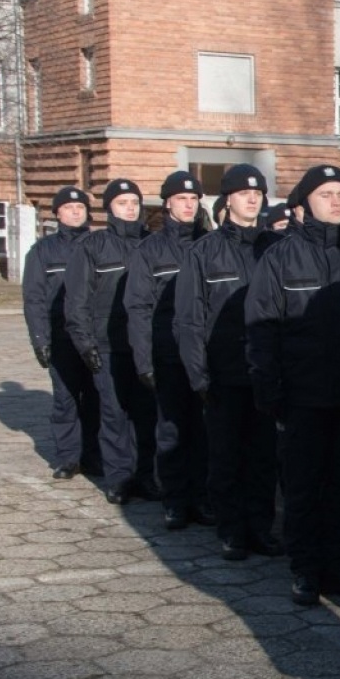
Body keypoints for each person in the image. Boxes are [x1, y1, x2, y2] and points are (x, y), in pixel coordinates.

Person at [245, 164, 340, 608]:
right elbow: (262, 329)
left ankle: (338, 565)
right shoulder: (280, 258)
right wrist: (270, 390)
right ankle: (305, 569)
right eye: (326, 194)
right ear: (302, 206)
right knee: (303, 487)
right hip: (302, 396)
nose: (337, 201)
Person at [175, 164, 281, 560]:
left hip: (265, 373)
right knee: (226, 457)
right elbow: (189, 317)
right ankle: (232, 529)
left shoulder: (275, 246)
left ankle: (261, 527)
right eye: (243, 193)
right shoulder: (204, 251)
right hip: (224, 374)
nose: (252, 199)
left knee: (264, 457)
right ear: (227, 200)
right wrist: (198, 374)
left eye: (258, 193)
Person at [126, 170, 210, 530]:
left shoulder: (209, 244)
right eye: (181, 199)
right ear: (168, 204)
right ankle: (175, 500)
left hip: (204, 356)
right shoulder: (151, 250)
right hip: (169, 355)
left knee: (205, 432)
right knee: (173, 430)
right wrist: (144, 359)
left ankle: (203, 499)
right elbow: (138, 308)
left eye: (193, 199)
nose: (188, 205)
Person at [65, 177, 156, 504]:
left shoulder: (151, 243)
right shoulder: (92, 246)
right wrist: (85, 344)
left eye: (134, 203)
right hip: (107, 346)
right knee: (114, 414)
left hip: (144, 347)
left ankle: (146, 475)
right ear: (109, 209)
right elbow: (76, 300)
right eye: (122, 203)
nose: (130, 209)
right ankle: (119, 478)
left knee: (147, 415)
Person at [22, 186, 101, 480]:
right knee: (66, 399)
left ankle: (94, 456)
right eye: (68, 208)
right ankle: (69, 457)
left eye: (80, 207)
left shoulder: (98, 245)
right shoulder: (43, 251)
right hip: (61, 337)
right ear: (57, 214)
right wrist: (40, 339)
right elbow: (34, 299)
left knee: (96, 398)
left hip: (94, 337)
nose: (75, 212)